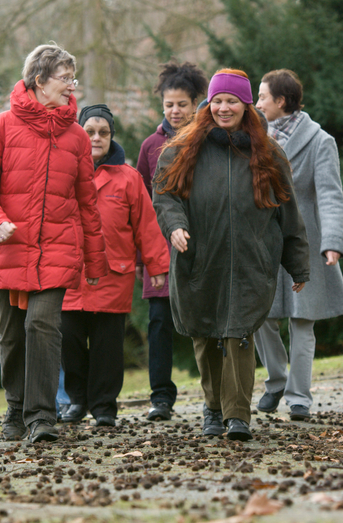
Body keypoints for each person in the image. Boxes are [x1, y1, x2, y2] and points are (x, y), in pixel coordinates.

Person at [153, 69, 310, 441]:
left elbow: (288, 211)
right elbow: (165, 194)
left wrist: (298, 263)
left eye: (232, 102)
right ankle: (213, 407)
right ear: (209, 104)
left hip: (250, 260)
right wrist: (174, 225)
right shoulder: (182, 148)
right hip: (199, 258)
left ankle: (238, 415)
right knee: (205, 333)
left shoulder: (268, 153)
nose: (224, 108)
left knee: (239, 334)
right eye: (218, 101)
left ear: (245, 106)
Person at [0, 44, 108, 444]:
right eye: (65, 78)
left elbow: (87, 204)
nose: (71, 86)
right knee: (12, 335)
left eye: (72, 79)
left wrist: (95, 264)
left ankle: (42, 417)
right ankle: (15, 406)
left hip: (58, 252)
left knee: (42, 324)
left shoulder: (78, 137)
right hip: (9, 251)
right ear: (39, 80)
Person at [60, 104, 170, 427]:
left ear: (111, 136)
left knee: (108, 347)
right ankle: (77, 400)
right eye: (89, 132)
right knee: (70, 341)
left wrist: (157, 266)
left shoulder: (129, 179)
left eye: (103, 132)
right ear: (78, 133)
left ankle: (104, 406)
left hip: (113, 275)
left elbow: (146, 226)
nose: (96, 138)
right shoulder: (65, 174)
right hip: (71, 275)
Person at [253, 69, 343, 421]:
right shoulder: (254, 137)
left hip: (305, 243)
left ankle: (299, 398)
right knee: (259, 316)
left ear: (281, 101)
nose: (256, 103)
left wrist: (333, 242)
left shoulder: (320, 141)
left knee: (302, 321)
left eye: (262, 97)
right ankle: (277, 378)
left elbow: (330, 194)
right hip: (263, 242)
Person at [136, 60, 209, 422]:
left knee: (208, 324)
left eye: (182, 104)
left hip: (204, 247)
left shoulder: (210, 140)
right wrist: (143, 258)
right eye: (169, 105)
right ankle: (161, 398)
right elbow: (141, 207)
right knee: (160, 325)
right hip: (159, 254)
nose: (175, 111)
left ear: (196, 102)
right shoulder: (150, 146)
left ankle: (216, 394)